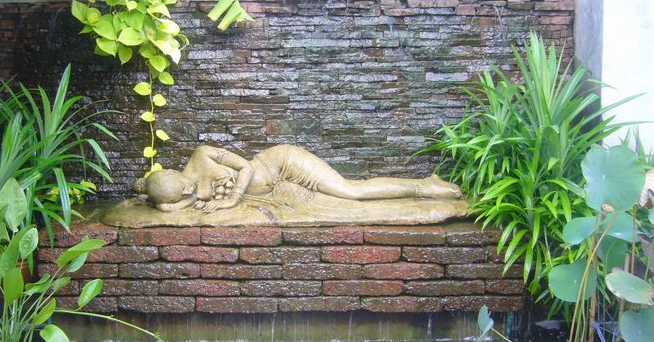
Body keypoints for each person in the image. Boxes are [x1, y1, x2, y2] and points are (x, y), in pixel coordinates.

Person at [141, 144, 462, 213]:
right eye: (182, 194)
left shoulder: (202, 155)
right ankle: (423, 186)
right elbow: (165, 207)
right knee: (348, 199)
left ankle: (425, 186)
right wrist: (171, 200)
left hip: (283, 163)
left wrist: (230, 201)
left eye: (184, 185)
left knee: (353, 192)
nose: (189, 190)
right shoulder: (177, 194)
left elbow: (246, 168)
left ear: (171, 171)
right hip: (278, 184)